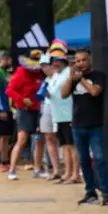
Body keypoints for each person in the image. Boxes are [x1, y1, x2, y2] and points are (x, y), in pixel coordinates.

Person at [61, 49, 108, 205]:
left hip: (95, 124)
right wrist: (71, 78)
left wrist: (82, 79)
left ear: (89, 60)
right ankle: (90, 193)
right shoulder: (74, 78)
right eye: (77, 61)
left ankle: (106, 192)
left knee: (99, 158)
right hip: (78, 124)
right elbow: (63, 94)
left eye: (83, 60)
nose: (80, 63)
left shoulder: (99, 76)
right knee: (83, 160)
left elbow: (95, 91)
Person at [5, 50, 45, 181]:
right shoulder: (21, 72)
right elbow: (9, 90)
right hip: (24, 110)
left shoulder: (41, 72)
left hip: (38, 110)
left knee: (39, 140)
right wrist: (22, 99)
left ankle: (38, 169)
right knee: (22, 139)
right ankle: (12, 169)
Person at [43, 44, 79, 184]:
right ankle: (67, 173)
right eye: (53, 61)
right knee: (65, 145)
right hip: (59, 115)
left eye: (57, 60)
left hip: (69, 113)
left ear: (63, 60)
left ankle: (75, 174)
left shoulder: (69, 72)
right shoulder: (56, 75)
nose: (54, 63)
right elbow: (53, 93)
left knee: (72, 145)